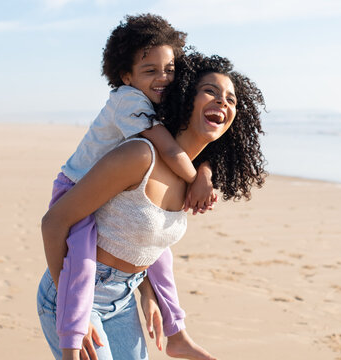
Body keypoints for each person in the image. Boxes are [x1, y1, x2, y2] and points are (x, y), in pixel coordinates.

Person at [37, 51, 266, 360]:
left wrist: (147, 292)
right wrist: (75, 307)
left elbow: (140, 239)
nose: (223, 102)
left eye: (231, 99)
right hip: (76, 292)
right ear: (186, 98)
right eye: (211, 91)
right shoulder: (140, 156)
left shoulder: (193, 177)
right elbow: (53, 222)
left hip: (124, 298)